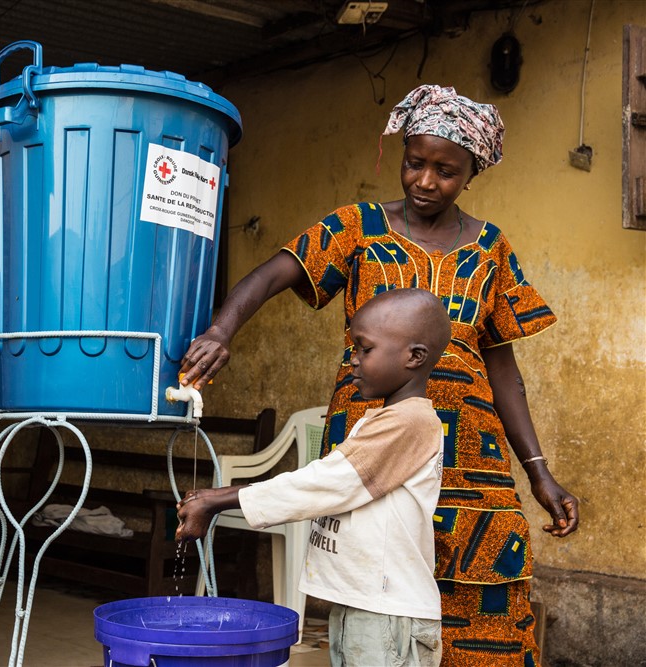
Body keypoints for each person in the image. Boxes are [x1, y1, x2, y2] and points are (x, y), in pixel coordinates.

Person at [178, 85, 579, 666]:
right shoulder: (357, 227)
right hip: (374, 433)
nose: (424, 181)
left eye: (446, 171)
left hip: (472, 454)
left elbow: (504, 372)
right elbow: (270, 276)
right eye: (415, 162)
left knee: (486, 588)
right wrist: (222, 331)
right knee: (377, 577)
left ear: (472, 173)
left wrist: (539, 473)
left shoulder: (492, 249)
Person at [177, 288, 452, 667]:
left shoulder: (410, 423)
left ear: (414, 357)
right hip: (363, 602)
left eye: (364, 349)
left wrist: (220, 498)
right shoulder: (389, 420)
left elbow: (326, 483)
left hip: (387, 612)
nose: (352, 361)